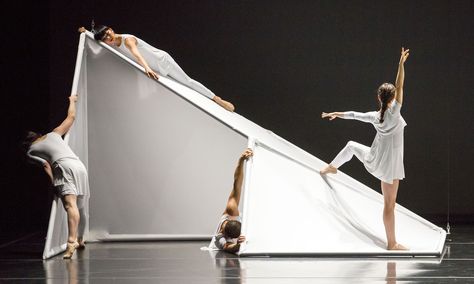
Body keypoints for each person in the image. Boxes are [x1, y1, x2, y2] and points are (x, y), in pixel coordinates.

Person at [320, 48, 410, 250]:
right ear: (393, 98)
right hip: (389, 167)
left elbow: (353, 114)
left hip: (375, 158)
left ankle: (331, 167)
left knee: (351, 146)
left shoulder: (375, 116)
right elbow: (400, 84)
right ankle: (392, 243)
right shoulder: (394, 112)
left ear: (379, 98)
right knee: (389, 205)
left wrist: (335, 113)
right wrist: (401, 64)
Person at [78, 25, 235, 112]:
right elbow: (95, 38)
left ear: (111, 29)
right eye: (105, 38)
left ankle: (217, 99)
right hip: (155, 68)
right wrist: (85, 32)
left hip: (162, 61)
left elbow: (136, 54)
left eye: (108, 34)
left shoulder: (126, 40)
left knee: (187, 81)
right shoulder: (112, 45)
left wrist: (146, 68)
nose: (108, 38)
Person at [23, 95, 89, 259]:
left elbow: (47, 165)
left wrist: (54, 184)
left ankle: (71, 242)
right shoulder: (53, 134)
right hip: (79, 165)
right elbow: (71, 117)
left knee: (70, 206)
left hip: (64, 167)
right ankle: (80, 239)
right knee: (80, 207)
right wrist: (72, 100)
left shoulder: (30, 151)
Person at [208, 148, 253, 253]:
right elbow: (227, 247)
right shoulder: (220, 236)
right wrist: (238, 245)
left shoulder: (231, 210)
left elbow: (237, 184)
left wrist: (241, 160)